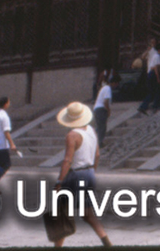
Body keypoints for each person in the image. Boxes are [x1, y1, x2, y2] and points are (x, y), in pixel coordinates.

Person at [54, 101, 110, 247]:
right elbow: (97, 155)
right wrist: (91, 173)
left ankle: (57, 247)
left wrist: (60, 181)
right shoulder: (91, 130)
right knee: (88, 214)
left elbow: (67, 160)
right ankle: (107, 242)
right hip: (89, 172)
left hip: (75, 175)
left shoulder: (72, 135)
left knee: (62, 213)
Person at [137, 37, 160, 115]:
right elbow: (143, 57)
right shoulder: (151, 51)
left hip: (156, 70)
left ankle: (155, 105)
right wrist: (148, 49)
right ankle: (150, 105)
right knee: (153, 90)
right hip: (152, 71)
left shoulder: (157, 52)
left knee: (156, 90)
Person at [92, 73, 119, 146]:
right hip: (101, 109)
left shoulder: (105, 88)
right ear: (113, 83)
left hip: (97, 109)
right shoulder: (108, 89)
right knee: (102, 127)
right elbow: (105, 102)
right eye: (116, 84)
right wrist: (108, 111)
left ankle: (96, 142)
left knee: (99, 127)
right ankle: (99, 143)